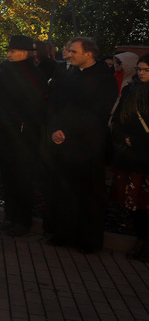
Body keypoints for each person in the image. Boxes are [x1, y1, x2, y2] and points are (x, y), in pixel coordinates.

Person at [45, 37, 118, 253]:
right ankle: (63, 234)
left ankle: (88, 241)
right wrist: (54, 129)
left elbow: (97, 113)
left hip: (89, 145)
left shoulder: (105, 78)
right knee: (65, 191)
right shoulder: (68, 74)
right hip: (63, 143)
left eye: (73, 52)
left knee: (89, 194)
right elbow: (54, 103)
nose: (68, 55)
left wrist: (67, 131)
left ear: (89, 53)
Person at [0, 35, 48, 237]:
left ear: (25, 53)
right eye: (9, 50)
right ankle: (10, 217)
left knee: (22, 179)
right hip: (5, 133)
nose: (8, 54)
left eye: (13, 51)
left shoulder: (35, 74)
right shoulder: (5, 72)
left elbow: (36, 106)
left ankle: (23, 221)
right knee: (8, 177)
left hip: (24, 136)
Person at [111, 54, 149, 260]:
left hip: (145, 155)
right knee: (136, 205)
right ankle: (141, 239)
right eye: (140, 69)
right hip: (133, 159)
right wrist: (123, 137)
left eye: (146, 70)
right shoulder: (129, 91)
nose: (141, 73)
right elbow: (117, 120)